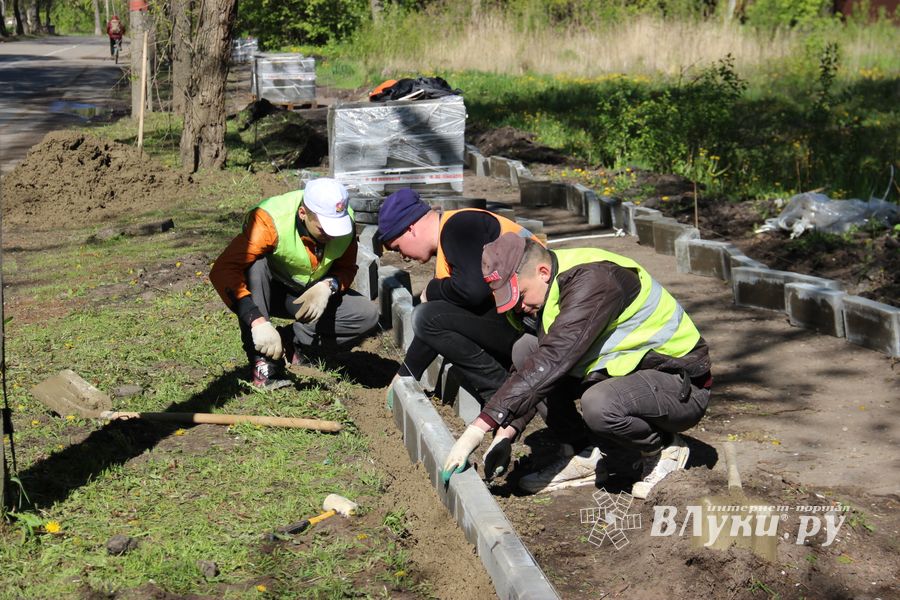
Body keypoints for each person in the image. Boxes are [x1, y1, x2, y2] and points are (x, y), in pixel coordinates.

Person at [441, 233, 713, 499]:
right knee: (526, 349)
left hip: (680, 384)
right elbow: (537, 368)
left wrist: (479, 427)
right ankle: (583, 454)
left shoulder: (593, 282)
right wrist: (506, 432)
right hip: (633, 376)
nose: (520, 307)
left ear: (543, 272)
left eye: (521, 295)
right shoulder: (553, 291)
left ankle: (664, 448)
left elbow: (553, 361)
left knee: (600, 404)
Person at [377, 189, 552, 437]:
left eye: (397, 247)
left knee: (427, 314)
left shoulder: (460, 227)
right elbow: (444, 316)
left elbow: (472, 292)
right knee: (430, 315)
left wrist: (434, 289)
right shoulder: (453, 239)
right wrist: (405, 376)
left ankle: (500, 391)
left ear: (411, 229)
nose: (403, 256)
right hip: (523, 320)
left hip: (534, 323)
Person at [210, 178, 379, 388]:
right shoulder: (269, 221)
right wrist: (256, 320)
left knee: (366, 314)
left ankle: (291, 343)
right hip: (267, 292)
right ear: (303, 214)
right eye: (324, 228)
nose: (332, 235)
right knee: (255, 264)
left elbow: (346, 268)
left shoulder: (345, 225)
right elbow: (223, 269)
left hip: (308, 294)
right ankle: (263, 363)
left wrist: (328, 286)